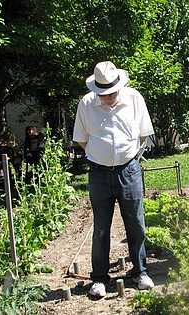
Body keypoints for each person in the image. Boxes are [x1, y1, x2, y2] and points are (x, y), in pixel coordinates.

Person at [73, 61, 155, 298]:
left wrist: (122, 156)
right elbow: (82, 139)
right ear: (96, 90)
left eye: (112, 91)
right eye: (104, 93)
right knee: (101, 227)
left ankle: (140, 272)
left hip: (129, 170)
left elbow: (143, 134)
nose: (108, 96)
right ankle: (99, 279)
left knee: (136, 224)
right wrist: (103, 154)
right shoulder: (86, 104)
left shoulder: (134, 98)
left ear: (120, 85)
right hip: (99, 173)